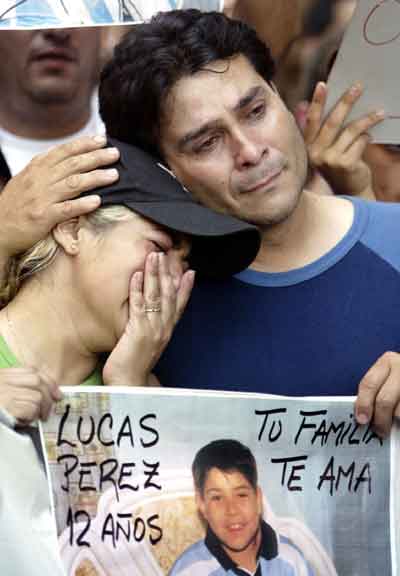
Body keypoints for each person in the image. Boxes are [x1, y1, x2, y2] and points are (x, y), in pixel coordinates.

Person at [98, 9, 400, 437]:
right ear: (162, 171)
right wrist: (126, 388)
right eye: (207, 142)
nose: (250, 150)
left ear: (279, 94)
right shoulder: (146, 303)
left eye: (256, 111)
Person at [0, 137, 259, 576]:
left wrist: (129, 395)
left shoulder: (146, 391)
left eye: (184, 264)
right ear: (73, 228)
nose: (172, 282)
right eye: (159, 248)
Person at [169, 439, 316, 575]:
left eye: (241, 495)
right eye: (217, 498)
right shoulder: (188, 571)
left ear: (258, 499)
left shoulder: (291, 559)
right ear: (202, 505)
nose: (232, 510)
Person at [0, 27, 103, 175]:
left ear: (104, 32)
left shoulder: (142, 146)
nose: (57, 30)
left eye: (76, 6)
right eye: (29, 6)